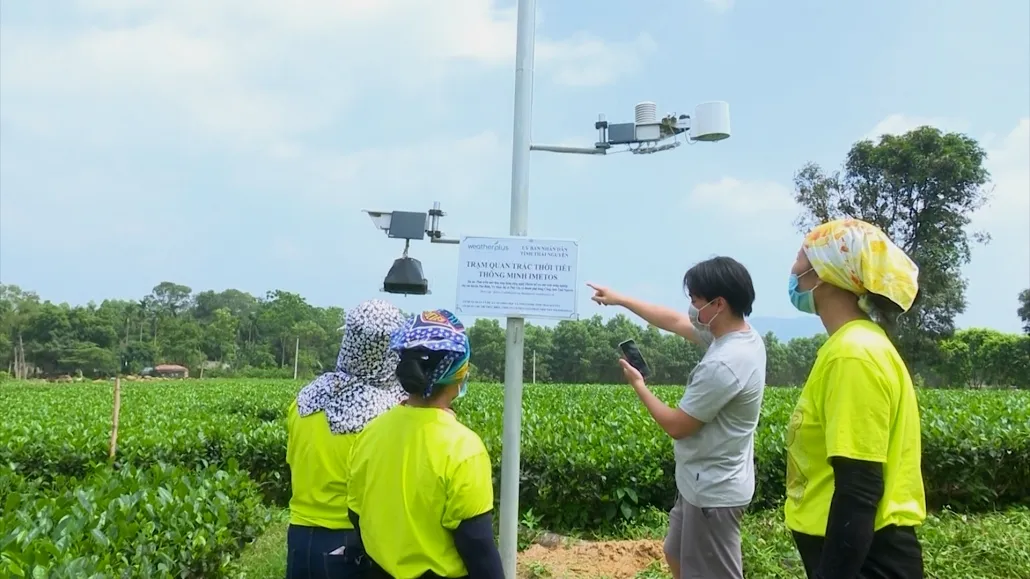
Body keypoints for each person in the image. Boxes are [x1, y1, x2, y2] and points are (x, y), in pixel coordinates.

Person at [588, 255, 766, 579]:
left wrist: (638, 385)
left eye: (696, 300)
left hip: (714, 491)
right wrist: (620, 299)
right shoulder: (734, 334)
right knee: (675, 553)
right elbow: (672, 320)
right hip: (699, 481)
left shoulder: (726, 363)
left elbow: (677, 425)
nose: (691, 308)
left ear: (719, 304)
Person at [784, 218, 926, 579]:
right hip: (857, 556)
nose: (793, 270)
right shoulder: (851, 345)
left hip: (867, 561)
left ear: (826, 272)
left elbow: (859, 488)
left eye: (801, 258)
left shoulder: (853, 354)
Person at [347, 309, 503, 579]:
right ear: (458, 372)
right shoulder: (464, 448)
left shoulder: (370, 433)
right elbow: (477, 545)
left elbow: (356, 514)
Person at [285, 299, 409, 579]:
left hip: (299, 537)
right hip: (352, 544)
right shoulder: (387, 413)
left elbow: (293, 461)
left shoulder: (306, 399)